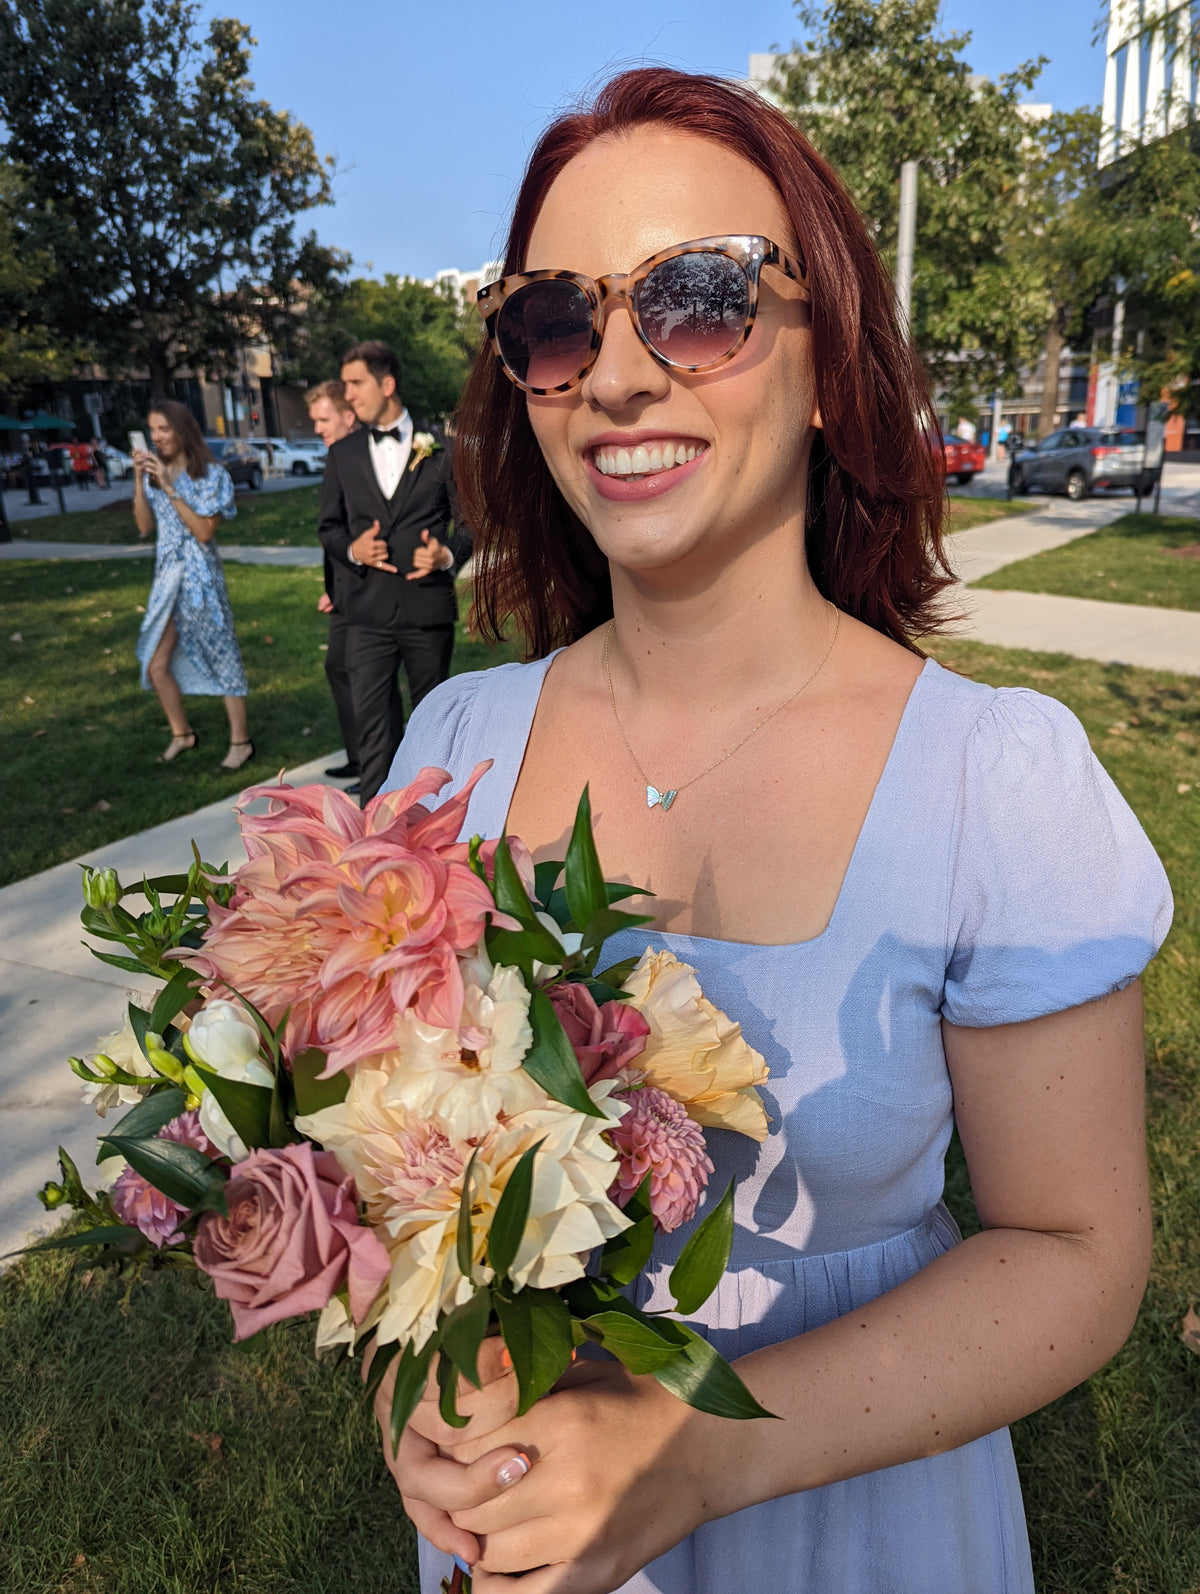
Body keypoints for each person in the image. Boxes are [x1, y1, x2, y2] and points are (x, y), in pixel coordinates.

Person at [377, 67, 1172, 1594]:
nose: (615, 374)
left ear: (831, 359)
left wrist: (703, 1448)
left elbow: (1078, 1251)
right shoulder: (450, 753)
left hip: (860, 1536)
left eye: (696, 298)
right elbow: (392, 1184)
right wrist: (414, 1400)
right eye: (557, 318)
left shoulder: (994, 782)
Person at [317, 340, 471, 805]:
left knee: (433, 724)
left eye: (355, 383)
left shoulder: (442, 449)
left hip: (426, 610)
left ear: (387, 384)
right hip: (365, 615)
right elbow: (329, 528)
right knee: (374, 731)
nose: (348, 395)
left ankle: (434, 826)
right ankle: (374, 838)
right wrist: (354, 549)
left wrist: (445, 555)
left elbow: (470, 522)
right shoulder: (342, 454)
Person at [132, 399, 253, 769]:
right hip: (166, 577)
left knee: (223, 655)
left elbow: (203, 532)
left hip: (201, 577)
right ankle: (182, 733)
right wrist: (140, 480)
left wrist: (170, 488)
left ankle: (241, 741)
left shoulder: (212, 476)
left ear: (183, 431)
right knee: (155, 661)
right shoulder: (155, 472)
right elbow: (143, 527)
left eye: (164, 429)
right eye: (153, 430)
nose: (157, 437)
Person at [306, 378, 362, 789]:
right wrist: (333, 587)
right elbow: (335, 531)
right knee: (337, 667)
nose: (317, 428)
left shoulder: (365, 461)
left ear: (348, 416)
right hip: (344, 588)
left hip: (367, 591)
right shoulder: (337, 458)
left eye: (323, 419)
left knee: (359, 673)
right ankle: (359, 757)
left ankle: (375, 761)